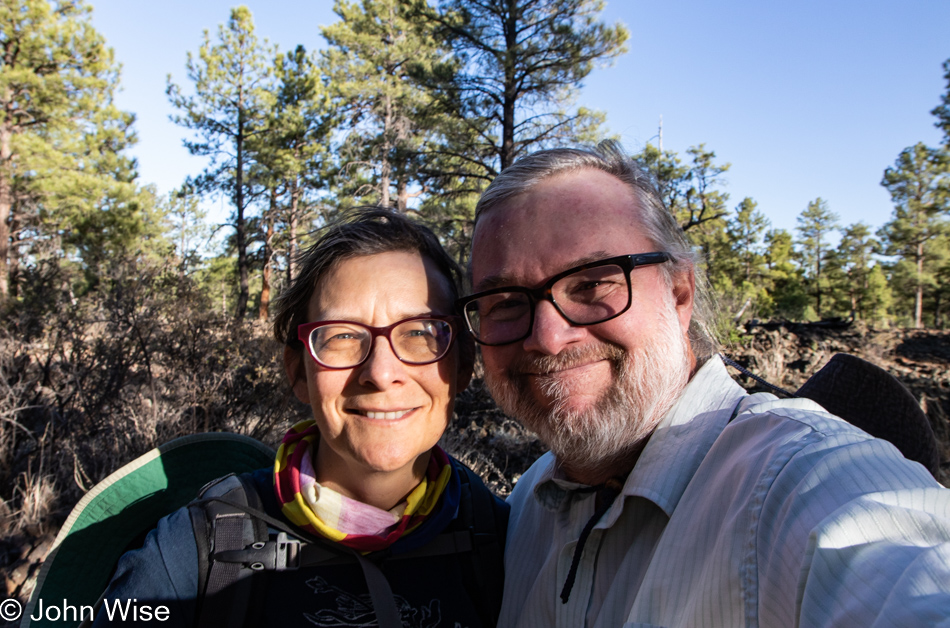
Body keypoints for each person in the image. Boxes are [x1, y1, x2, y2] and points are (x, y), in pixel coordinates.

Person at [458, 141, 950, 627]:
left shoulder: (798, 481)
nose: (547, 337)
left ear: (679, 292)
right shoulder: (528, 504)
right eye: (504, 302)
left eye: (591, 284)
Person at [93, 207, 507, 627]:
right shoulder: (194, 552)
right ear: (298, 373)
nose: (381, 374)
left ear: (462, 365)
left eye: (420, 332)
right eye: (343, 336)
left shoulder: (506, 538)